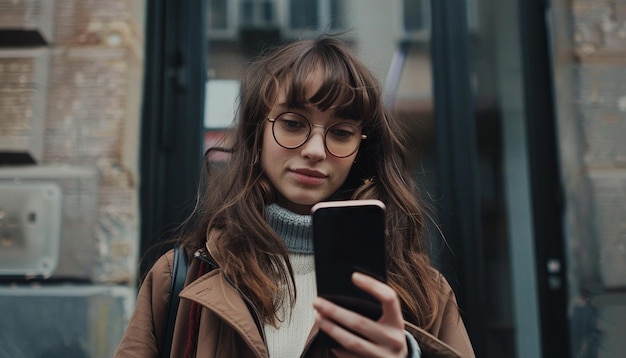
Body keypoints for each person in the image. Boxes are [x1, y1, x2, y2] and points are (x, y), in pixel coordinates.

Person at [116, 36, 474, 358]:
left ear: (360, 151)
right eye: (292, 123)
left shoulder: (423, 291)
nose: (316, 149)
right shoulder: (178, 278)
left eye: (341, 132)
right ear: (257, 135)